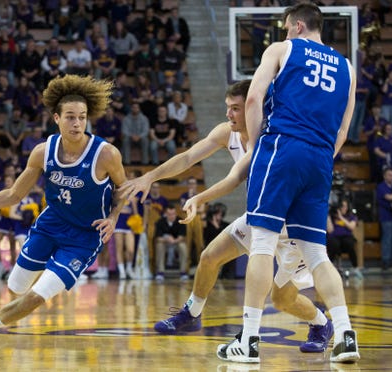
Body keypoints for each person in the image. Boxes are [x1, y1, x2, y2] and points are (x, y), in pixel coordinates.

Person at [118, 80, 334, 354]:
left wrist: (199, 197)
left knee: (282, 299)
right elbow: (187, 158)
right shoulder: (226, 133)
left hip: (291, 225)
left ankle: (321, 323)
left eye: (235, 109)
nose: (229, 114)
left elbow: (234, 179)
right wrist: (150, 175)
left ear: (253, 108)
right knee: (210, 257)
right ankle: (192, 314)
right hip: (261, 216)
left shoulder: (271, 135)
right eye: (227, 108)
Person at [218, 3, 359, 363]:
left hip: (282, 146)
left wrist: (260, 142)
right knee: (316, 253)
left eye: (284, 28)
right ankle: (344, 335)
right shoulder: (348, 67)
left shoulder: (282, 49)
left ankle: (248, 339)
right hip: (321, 157)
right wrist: (322, 156)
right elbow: (344, 129)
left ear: (297, 26)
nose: (283, 34)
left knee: (262, 242)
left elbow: (253, 97)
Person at [0, 75, 127, 359]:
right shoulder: (42, 152)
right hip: (50, 225)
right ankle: (20, 301)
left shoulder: (106, 154)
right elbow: (13, 195)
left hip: (84, 237)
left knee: (37, 297)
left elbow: (124, 190)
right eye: (70, 117)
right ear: (56, 118)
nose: (77, 123)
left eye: (82, 117)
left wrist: (114, 217)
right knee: (17, 287)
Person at [327, 198, 362, 279]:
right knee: (334, 244)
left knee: (349, 243)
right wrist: (328, 216)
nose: (344, 208)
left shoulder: (351, 217)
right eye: (342, 206)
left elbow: (351, 227)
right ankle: (329, 266)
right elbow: (330, 230)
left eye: (345, 206)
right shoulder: (332, 216)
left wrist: (341, 217)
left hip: (346, 238)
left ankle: (355, 267)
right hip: (334, 238)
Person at [154, 204, 188, 281]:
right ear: (166, 214)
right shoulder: (160, 222)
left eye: (173, 214)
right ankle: (160, 272)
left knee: (183, 246)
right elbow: (158, 238)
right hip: (165, 243)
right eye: (169, 214)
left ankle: (183, 271)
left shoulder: (181, 221)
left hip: (176, 243)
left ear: (176, 214)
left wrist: (174, 241)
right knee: (159, 245)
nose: (171, 216)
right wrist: (167, 240)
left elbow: (182, 237)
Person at [376, 166, 392, 271]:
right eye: (389, 175)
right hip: (386, 217)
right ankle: (386, 261)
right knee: (387, 239)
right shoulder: (381, 187)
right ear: (384, 176)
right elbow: (388, 197)